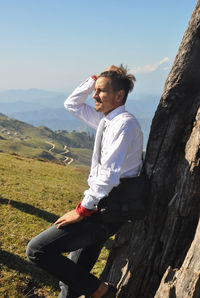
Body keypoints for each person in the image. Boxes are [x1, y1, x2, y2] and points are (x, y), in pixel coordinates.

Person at [26, 65, 143, 298]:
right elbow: (72, 104)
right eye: (95, 90)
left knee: (37, 250)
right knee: (73, 279)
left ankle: (102, 291)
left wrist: (82, 210)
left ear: (119, 96)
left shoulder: (123, 124)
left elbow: (107, 176)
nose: (94, 95)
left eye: (100, 91)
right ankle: (97, 291)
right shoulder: (106, 119)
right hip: (103, 207)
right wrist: (95, 78)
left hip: (105, 210)